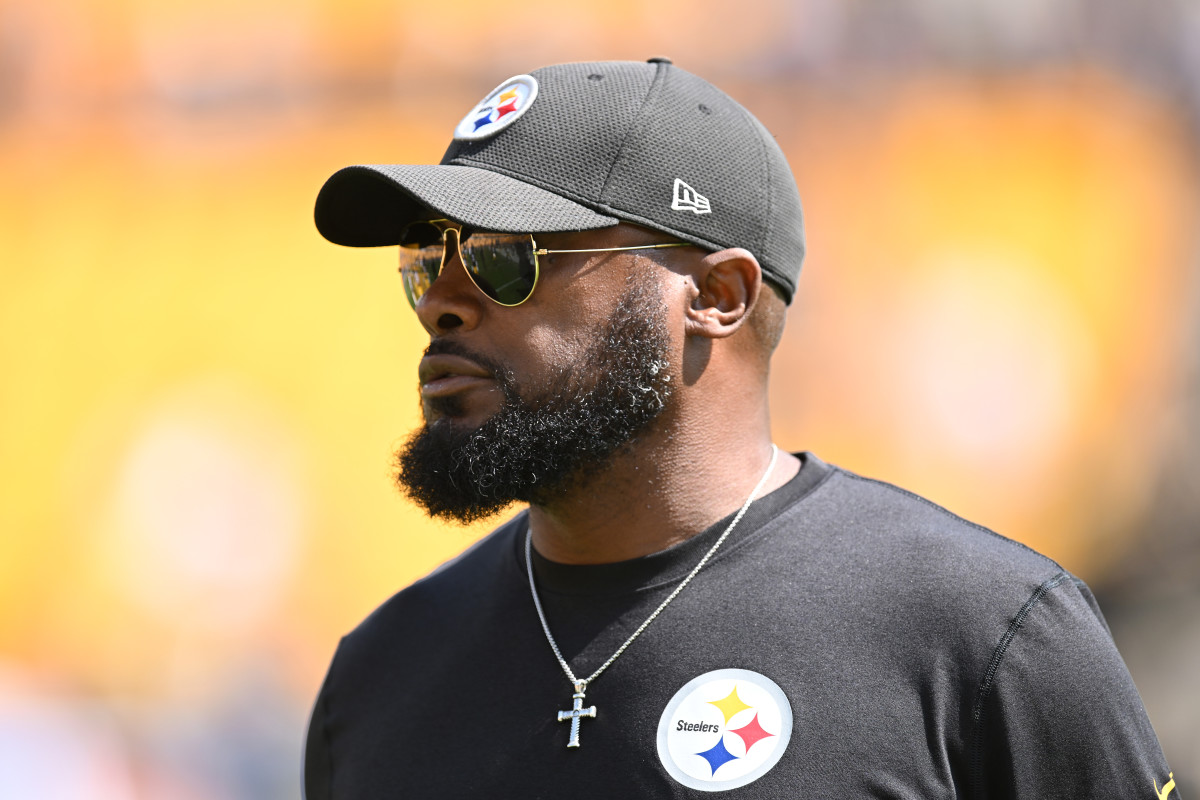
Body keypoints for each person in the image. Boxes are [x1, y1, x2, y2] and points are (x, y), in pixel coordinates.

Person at [303, 59, 1177, 798]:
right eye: (428, 261)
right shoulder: (382, 677)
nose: (443, 306)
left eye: (504, 257)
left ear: (717, 297)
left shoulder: (983, 638)